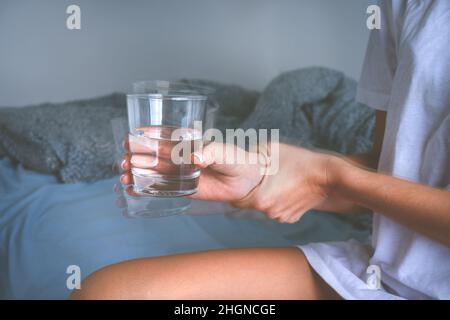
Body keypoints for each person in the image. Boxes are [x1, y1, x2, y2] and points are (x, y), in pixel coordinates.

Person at [71, 1, 450, 299]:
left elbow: (350, 181)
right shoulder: (400, 5)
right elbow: (387, 175)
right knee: (105, 293)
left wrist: (326, 174)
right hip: (387, 273)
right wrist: (260, 179)